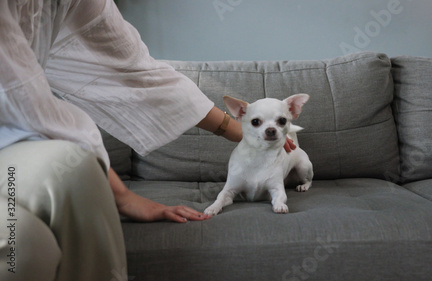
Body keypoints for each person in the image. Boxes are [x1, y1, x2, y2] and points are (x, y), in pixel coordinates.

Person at [0, 1, 295, 280]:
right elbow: (19, 96)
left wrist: (244, 132)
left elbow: (132, 70)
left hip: (16, 149)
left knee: (28, 244)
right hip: (11, 132)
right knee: (22, 243)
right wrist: (125, 197)